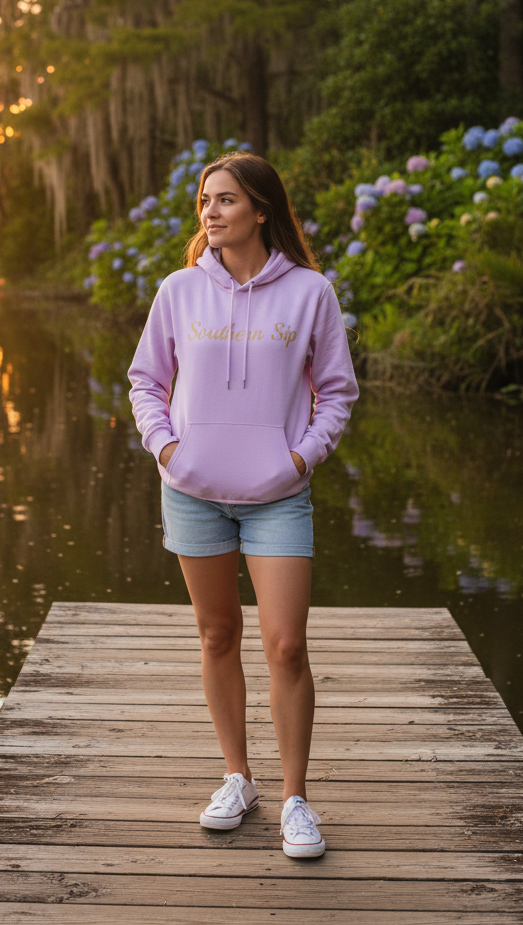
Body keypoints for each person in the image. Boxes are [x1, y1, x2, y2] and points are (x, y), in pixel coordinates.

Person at [128, 151, 358, 858]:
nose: (210, 212)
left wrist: (300, 457)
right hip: (193, 494)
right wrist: (168, 450)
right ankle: (238, 777)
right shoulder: (178, 290)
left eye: (225, 200)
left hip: (278, 497)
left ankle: (295, 798)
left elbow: (338, 391)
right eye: (205, 201)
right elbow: (145, 383)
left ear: (261, 210)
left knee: (286, 644)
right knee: (216, 636)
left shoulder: (310, 292)